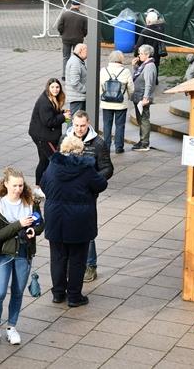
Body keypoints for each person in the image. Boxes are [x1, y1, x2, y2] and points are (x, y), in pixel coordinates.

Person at [42, 136, 107, 307]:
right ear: (80, 151)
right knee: (78, 259)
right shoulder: (86, 169)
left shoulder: (53, 166)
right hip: (79, 221)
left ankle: (58, 293)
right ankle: (74, 296)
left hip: (56, 218)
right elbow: (101, 184)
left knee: (58, 258)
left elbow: (43, 185)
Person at [0, 168, 44, 346]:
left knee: (17, 293)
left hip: (24, 253)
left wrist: (32, 230)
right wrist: (19, 224)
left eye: (20, 185)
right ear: (6, 184)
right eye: (14, 185)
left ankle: (12, 327)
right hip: (3, 254)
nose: (18, 189)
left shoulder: (30, 202)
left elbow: (40, 224)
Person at [64, 110, 113, 283]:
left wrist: (94, 182)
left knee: (87, 229)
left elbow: (107, 168)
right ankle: (72, 264)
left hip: (88, 194)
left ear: (88, 123)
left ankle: (90, 265)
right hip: (68, 194)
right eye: (76, 125)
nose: (79, 129)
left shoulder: (98, 143)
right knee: (69, 229)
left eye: (82, 126)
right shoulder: (66, 138)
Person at [28, 79, 70, 188]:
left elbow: (51, 115)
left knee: (44, 160)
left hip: (42, 135)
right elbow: (48, 121)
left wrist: (61, 113)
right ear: (48, 88)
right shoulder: (45, 103)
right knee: (55, 159)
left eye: (57, 87)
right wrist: (63, 117)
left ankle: (39, 185)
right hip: (43, 137)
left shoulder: (51, 99)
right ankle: (49, 184)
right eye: (53, 87)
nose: (55, 90)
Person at [100, 50, 134, 154]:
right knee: (120, 125)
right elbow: (131, 88)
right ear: (121, 59)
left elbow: (101, 86)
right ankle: (119, 147)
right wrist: (128, 96)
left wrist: (103, 95)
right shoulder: (126, 71)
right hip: (120, 103)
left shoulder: (103, 70)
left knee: (107, 125)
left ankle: (106, 147)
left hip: (106, 103)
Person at [131, 44, 158, 151]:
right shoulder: (144, 65)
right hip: (138, 96)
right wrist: (134, 66)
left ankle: (145, 143)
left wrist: (146, 97)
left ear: (147, 54)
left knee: (144, 119)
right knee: (140, 119)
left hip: (142, 98)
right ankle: (142, 140)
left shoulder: (149, 66)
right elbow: (139, 75)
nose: (139, 55)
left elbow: (149, 83)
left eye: (141, 53)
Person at [57, 1, 87, 79]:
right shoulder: (83, 16)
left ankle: (65, 75)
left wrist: (62, 34)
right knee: (77, 57)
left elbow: (59, 27)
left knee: (66, 57)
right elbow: (86, 29)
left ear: (71, 5)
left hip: (66, 39)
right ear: (79, 6)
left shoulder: (65, 14)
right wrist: (83, 35)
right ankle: (76, 74)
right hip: (78, 39)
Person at [64, 43, 88, 116]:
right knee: (75, 119)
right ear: (81, 51)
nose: (88, 54)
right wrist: (85, 90)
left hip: (77, 96)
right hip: (77, 97)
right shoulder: (75, 62)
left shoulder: (77, 60)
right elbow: (74, 82)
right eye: (86, 51)